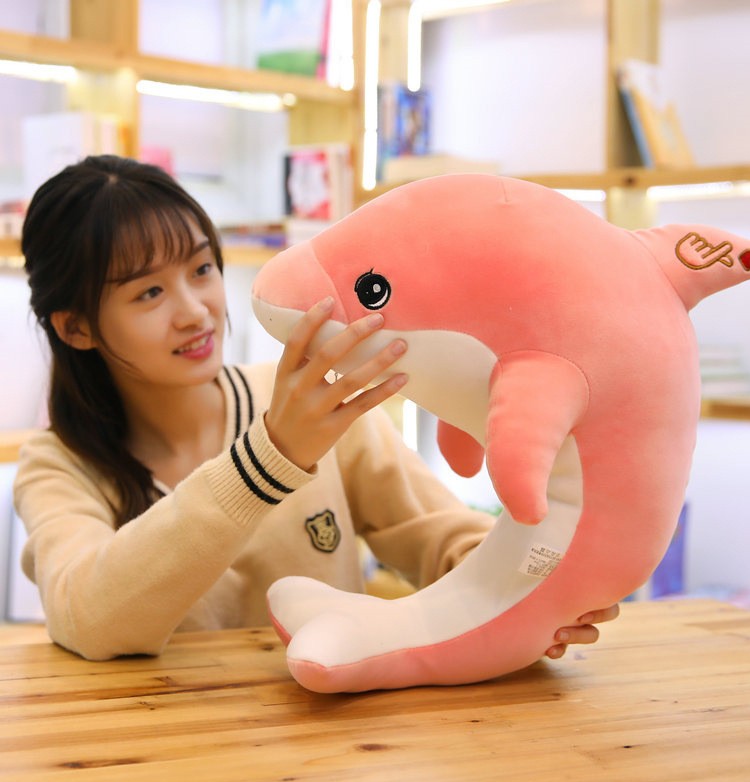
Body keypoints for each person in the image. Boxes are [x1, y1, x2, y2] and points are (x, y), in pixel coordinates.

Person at [13, 155, 618, 664]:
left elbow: (444, 539)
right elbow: (89, 618)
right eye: (149, 292)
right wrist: (268, 458)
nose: (195, 310)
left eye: (201, 269)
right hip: (160, 753)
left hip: (334, 741)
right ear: (76, 327)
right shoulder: (57, 464)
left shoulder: (318, 406)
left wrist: (532, 586)